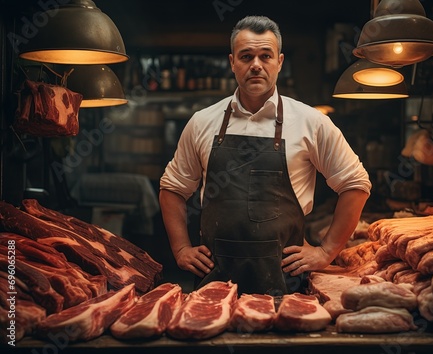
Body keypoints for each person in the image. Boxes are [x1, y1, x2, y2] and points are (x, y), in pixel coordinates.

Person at [159, 15, 371, 295]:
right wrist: (181, 248)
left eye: (265, 56)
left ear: (279, 62)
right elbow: (171, 188)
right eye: (246, 56)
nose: (256, 65)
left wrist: (327, 251)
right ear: (232, 62)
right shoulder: (202, 122)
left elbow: (356, 184)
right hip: (213, 287)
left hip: (287, 284)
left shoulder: (311, 121)